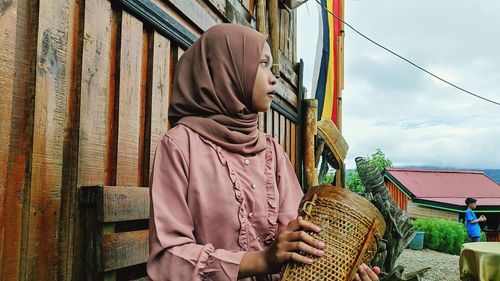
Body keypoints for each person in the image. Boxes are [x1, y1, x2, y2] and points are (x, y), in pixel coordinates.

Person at [147, 23, 379, 281]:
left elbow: (299, 239)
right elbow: (169, 257)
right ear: (228, 69)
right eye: (262, 64)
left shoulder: (271, 151)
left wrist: (341, 270)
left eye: (272, 67)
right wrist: (262, 260)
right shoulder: (180, 145)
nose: (273, 78)